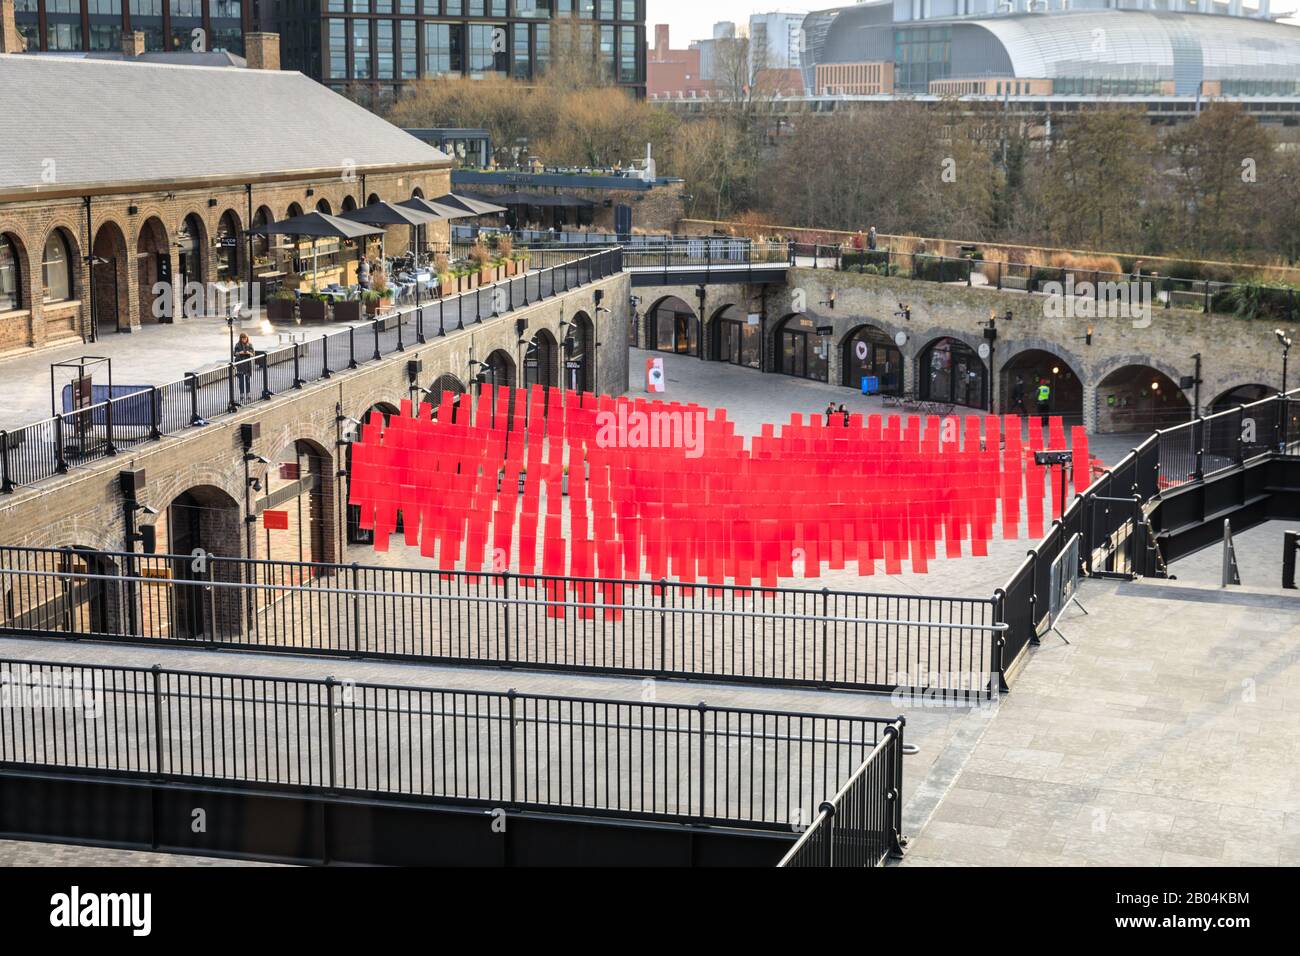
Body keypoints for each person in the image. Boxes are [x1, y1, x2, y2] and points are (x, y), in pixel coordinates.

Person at [233, 332, 256, 401]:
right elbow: (234, 353)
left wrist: (249, 353)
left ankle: (248, 394)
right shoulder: (237, 345)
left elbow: (253, 353)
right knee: (241, 381)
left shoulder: (250, 345)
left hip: (247, 365)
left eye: (245, 338)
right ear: (240, 339)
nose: (244, 340)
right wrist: (240, 353)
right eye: (243, 338)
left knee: (247, 380)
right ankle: (241, 394)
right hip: (240, 365)